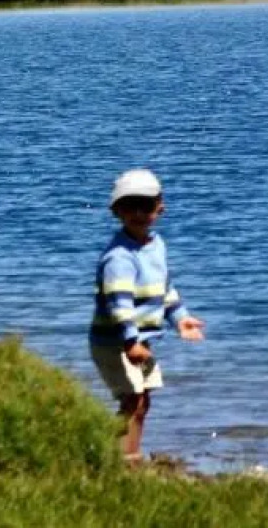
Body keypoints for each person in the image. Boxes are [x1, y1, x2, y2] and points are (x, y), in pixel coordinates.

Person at [89, 169, 205, 463]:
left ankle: (126, 455)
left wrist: (180, 318)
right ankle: (119, 458)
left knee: (142, 401)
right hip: (114, 342)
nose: (139, 213)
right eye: (130, 206)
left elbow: (164, 290)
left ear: (160, 207)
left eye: (146, 206)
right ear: (116, 210)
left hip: (139, 342)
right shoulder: (119, 257)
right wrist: (130, 342)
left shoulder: (156, 246)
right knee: (133, 399)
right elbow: (119, 304)